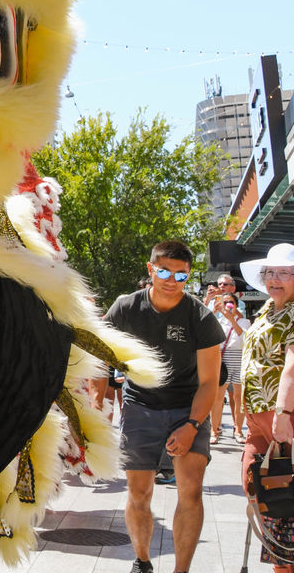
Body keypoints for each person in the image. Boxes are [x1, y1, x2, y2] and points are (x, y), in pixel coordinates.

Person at [104, 240, 223, 573]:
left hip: (188, 407)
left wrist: (192, 426)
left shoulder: (200, 315)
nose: (172, 280)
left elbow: (209, 382)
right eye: (164, 271)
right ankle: (142, 561)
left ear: (189, 276)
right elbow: (97, 354)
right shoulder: (126, 308)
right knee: (139, 493)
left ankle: (181, 570)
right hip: (140, 405)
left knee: (191, 491)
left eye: (181, 275)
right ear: (150, 269)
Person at [240, 243, 294, 573]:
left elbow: (292, 366)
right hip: (258, 421)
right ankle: (280, 564)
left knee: (283, 499)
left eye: (285, 273)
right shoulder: (266, 310)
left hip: (282, 420)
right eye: (271, 272)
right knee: (258, 490)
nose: (275, 279)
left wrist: (284, 414)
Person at [209, 285, 249, 444]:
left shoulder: (244, 321)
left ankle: (238, 430)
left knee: (239, 397)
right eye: (224, 302)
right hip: (223, 360)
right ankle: (214, 430)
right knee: (218, 398)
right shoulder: (218, 321)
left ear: (236, 304)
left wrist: (232, 319)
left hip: (239, 358)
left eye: (230, 302)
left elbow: (245, 339)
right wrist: (215, 312)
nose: (227, 305)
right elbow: (206, 333)